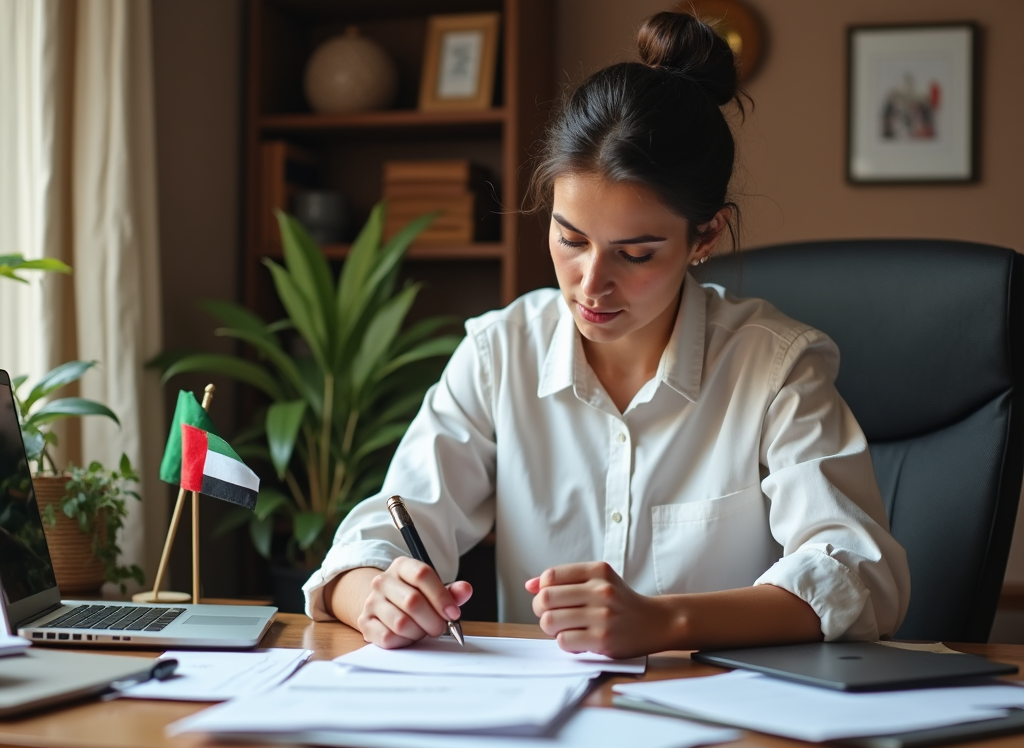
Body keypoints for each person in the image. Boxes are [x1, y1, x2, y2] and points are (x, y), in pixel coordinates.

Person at [302, 11, 910, 658]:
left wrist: (667, 621)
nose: (591, 284)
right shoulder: (500, 352)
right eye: (570, 239)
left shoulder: (775, 367)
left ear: (704, 236)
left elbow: (862, 575)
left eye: (637, 254)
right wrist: (376, 594)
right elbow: (376, 536)